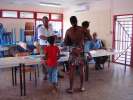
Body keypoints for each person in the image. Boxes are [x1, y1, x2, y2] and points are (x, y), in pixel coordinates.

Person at [64, 16, 85, 93]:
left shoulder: (68, 31)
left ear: (70, 22)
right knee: (81, 70)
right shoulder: (82, 29)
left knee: (72, 70)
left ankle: (71, 88)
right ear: (77, 21)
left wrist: (72, 42)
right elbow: (89, 38)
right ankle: (82, 87)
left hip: (73, 52)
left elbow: (65, 42)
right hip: (81, 51)